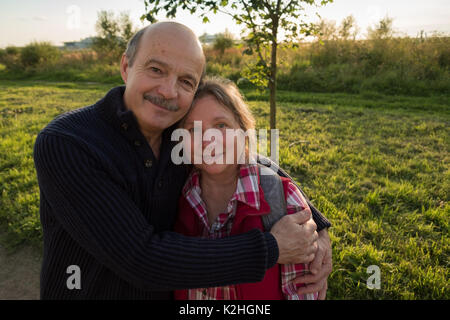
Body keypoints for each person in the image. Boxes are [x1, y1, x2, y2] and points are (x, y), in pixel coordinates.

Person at [33, 21, 332, 300]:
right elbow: (142, 260)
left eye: (186, 81)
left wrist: (317, 227)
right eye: (156, 69)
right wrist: (273, 247)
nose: (168, 91)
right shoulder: (67, 143)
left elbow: (244, 159)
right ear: (126, 66)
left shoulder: (180, 137)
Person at [174, 77, 318, 300]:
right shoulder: (177, 196)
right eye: (193, 129)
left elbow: (302, 293)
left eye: (221, 125)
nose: (208, 140)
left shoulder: (281, 199)